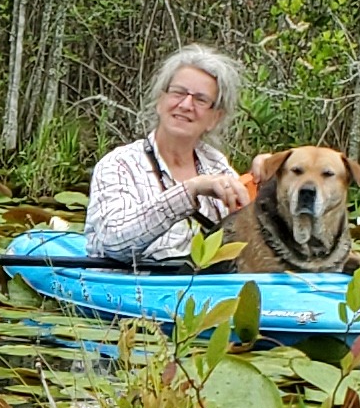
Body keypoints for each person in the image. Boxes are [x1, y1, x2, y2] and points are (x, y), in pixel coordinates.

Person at [85, 45, 251, 263]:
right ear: (160, 101)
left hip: (200, 286)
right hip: (130, 285)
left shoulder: (218, 166)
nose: (186, 105)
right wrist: (191, 190)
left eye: (201, 100)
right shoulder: (119, 164)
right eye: (178, 93)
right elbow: (114, 242)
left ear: (215, 118)